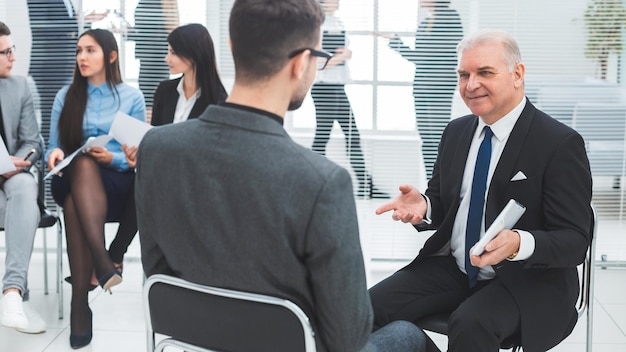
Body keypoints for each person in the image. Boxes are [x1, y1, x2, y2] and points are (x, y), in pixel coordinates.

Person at [135, 0, 426, 351]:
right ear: (302, 62)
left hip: (194, 341)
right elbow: (348, 338)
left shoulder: (157, 148)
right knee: (408, 335)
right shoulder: (321, 181)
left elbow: (156, 270)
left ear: (232, 46)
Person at [369, 29, 593, 352]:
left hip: (528, 280)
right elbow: (444, 205)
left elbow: (574, 241)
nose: (470, 84)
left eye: (484, 72)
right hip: (457, 268)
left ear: (518, 74)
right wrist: (426, 206)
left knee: (471, 324)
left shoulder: (559, 144)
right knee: (363, 309)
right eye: (464, 74)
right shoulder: (456, 132)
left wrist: (519, 243)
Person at [45, 28, 145, 349]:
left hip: (116, 184)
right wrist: (55, 155)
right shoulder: (66, 96)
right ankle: (103, 263)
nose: (82, 58)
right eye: (79, 51)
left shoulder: (132, 97)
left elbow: (136, 156)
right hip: (73, 177)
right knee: (82, 163)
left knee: (77, 199)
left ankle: (79, 304)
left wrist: (113, 157)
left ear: (111, 56)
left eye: (90, 51)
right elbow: (53, 147)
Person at [311, 0, 387, 199]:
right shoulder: (317, 25)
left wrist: (346, 55)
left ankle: (365, 186)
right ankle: (312, 184)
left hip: (337, 87)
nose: (337, 1)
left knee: (350, 135)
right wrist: (344, 56)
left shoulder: (336, 22)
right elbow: (317, 62)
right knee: (325, 137)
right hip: (324, 88)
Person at [381, 0, 463, 179]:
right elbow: (419, 57)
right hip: (422, 87)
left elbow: (427, 55)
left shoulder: (450, 17)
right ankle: (432, 183)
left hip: (438, 87)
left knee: (438, 139)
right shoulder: (425, 22)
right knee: (427, 139)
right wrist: (395, 41)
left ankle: (445, 183)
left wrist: (397, 42)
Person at [0, 21, 46, 335]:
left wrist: (21, 162)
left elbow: (34, 142)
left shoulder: (21, 86)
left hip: (14, 176)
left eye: (11, 49)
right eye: (4, 52)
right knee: (21, 209)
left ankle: (12, 292)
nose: (12, 58)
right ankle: (17, 297)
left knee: (25, 186)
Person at [26, 0, 79, 144]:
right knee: (51, 115)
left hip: (65, 64)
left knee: (64, 114)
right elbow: (40, 27)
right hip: (48, 65)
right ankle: (45, 156)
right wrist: (74, 23)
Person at [129, 0, 179, 117]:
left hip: (152, 58)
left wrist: (129, 33)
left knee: (152, 101)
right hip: (155, 57)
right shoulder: (160, 4)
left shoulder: (150, 4)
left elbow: (150, 34)